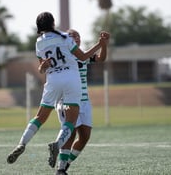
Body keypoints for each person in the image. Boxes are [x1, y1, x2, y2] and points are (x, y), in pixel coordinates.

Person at [6, 12, 107, 168]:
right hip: (71, 80)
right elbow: (82, 56)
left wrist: (42, 67)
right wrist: (100, 44)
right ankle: (57, 146)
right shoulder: (64, 39)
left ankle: (22, 143)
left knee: (40, 116)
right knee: (70, 123)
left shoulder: (39, 42)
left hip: (52, 80)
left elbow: (42, 68)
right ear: (53, 23)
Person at [54, 29, 110, 175]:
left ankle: (66, 163)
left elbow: (101, 59)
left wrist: (103, 45)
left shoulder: (83, 55)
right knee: (70, 133)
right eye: (73, 36)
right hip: (68, 101)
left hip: (84, 101)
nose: (77, 38)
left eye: (78, 36)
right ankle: (60, 169)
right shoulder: (64, 57)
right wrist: (99, 43)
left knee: (85, 136)